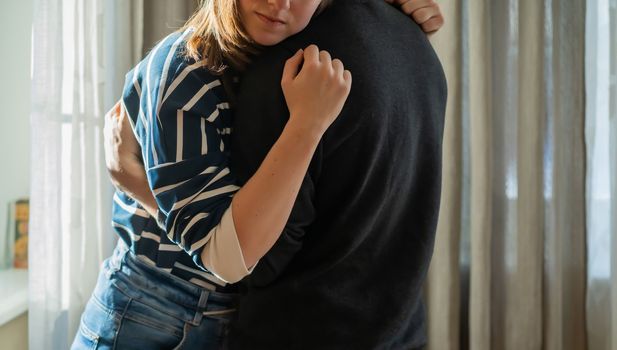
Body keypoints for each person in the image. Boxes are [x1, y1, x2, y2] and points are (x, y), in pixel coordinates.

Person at [76, 0, 444, 349]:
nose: (279, 3)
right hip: (153, 305)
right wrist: (308, 122)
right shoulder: (183, 71)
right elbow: (223, 259)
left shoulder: (270, 55)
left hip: (221, 309)